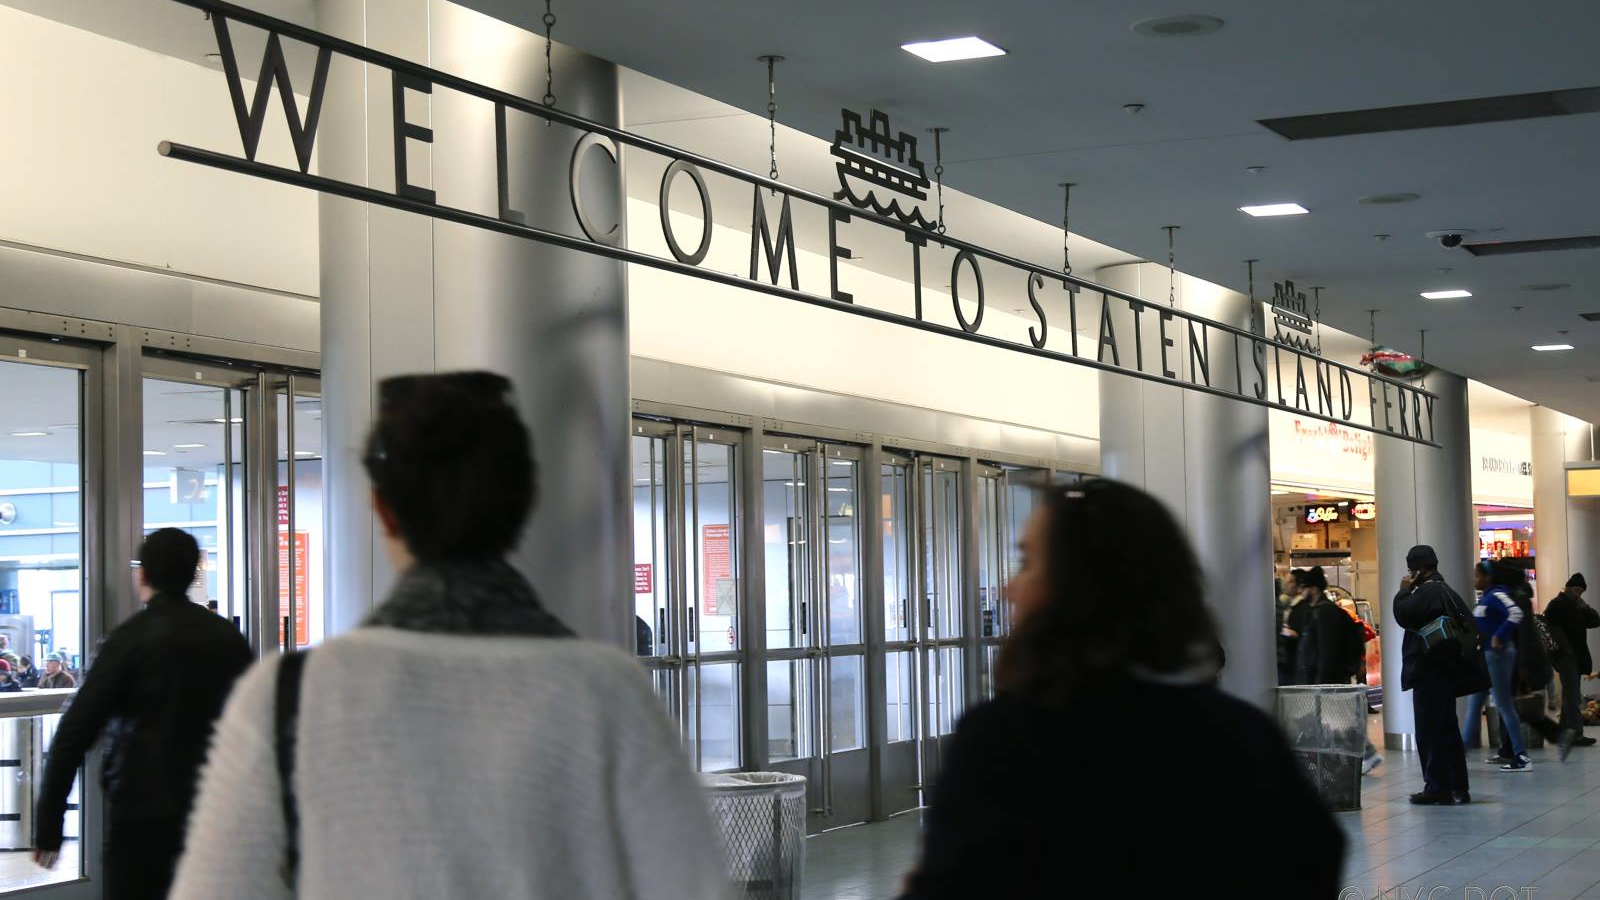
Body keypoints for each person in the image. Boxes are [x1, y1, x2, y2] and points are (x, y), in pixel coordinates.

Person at [168, 372, 726, 900]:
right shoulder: (608, 690)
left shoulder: (287, 694)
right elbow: (690, 884)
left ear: (383, 510)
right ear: (525, 504)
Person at [898, 479, 1345, 899]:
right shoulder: (1241, 734)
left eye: (1029, 563)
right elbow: (1311, 856)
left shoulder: (1005, 739)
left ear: (1080, 588)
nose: (1009, 589)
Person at [33, 528, 253, 900]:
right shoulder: (228, 639)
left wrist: (49, 827)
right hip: (217, 810)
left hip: (142, 815)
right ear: (192, 574)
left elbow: (73, 733)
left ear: (143, 574)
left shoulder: (128, 640)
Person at [1393, 545, 1480, 804]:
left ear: (1418, 570)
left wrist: (1403, 590)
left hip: (1429, 670)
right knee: (1446, 728)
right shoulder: (1444, 589)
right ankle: (1457, 788)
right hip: (1444, 670)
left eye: (1411, 569)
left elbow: (1403, 614)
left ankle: (1438, 787)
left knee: (1430, 730)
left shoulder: (1428, 591)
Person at [1460, 560, 1531, 771]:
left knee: (1504, 705)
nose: (1474, 579)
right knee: (1474, 705)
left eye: (1477, 575)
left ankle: (1521, 755)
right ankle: (1460, 754)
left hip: (1497, 656)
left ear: (1488, 577)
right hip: (1487, 657)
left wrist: (1500, 635)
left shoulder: (1497, 594)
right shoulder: (1488, 597)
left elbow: (1516, 613)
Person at [1543, 573, 1597, 747]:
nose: (1578, 594)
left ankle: (1564, 733)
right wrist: (1566, 649)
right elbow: (1552, 629)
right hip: (1565, 656)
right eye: (1575, 590)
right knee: (1573, 696)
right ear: (1567, 588)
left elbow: (1595, 621)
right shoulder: (1556, 605)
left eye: (1581, 591)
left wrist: (1585, 607)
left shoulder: (1578, 606)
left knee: (1570, 695)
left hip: (1575, 656)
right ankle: (1576, 734)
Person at [1293, 567, 1359, 686]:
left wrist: (1321, 685)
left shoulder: (1324, 612)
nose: (1300, 591)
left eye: (1303, 588)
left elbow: (1327, 652)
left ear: (1314, 589)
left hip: (1325, 683)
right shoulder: (1319, 610)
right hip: (1322, 681)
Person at [1277, 569, 1306, 684]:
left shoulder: (1302, 608)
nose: (1285, 584)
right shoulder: (1289, 604)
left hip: (1295, 662)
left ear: (1299, 585)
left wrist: (1284, 631)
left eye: (1289, 581)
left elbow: (1301, 634)